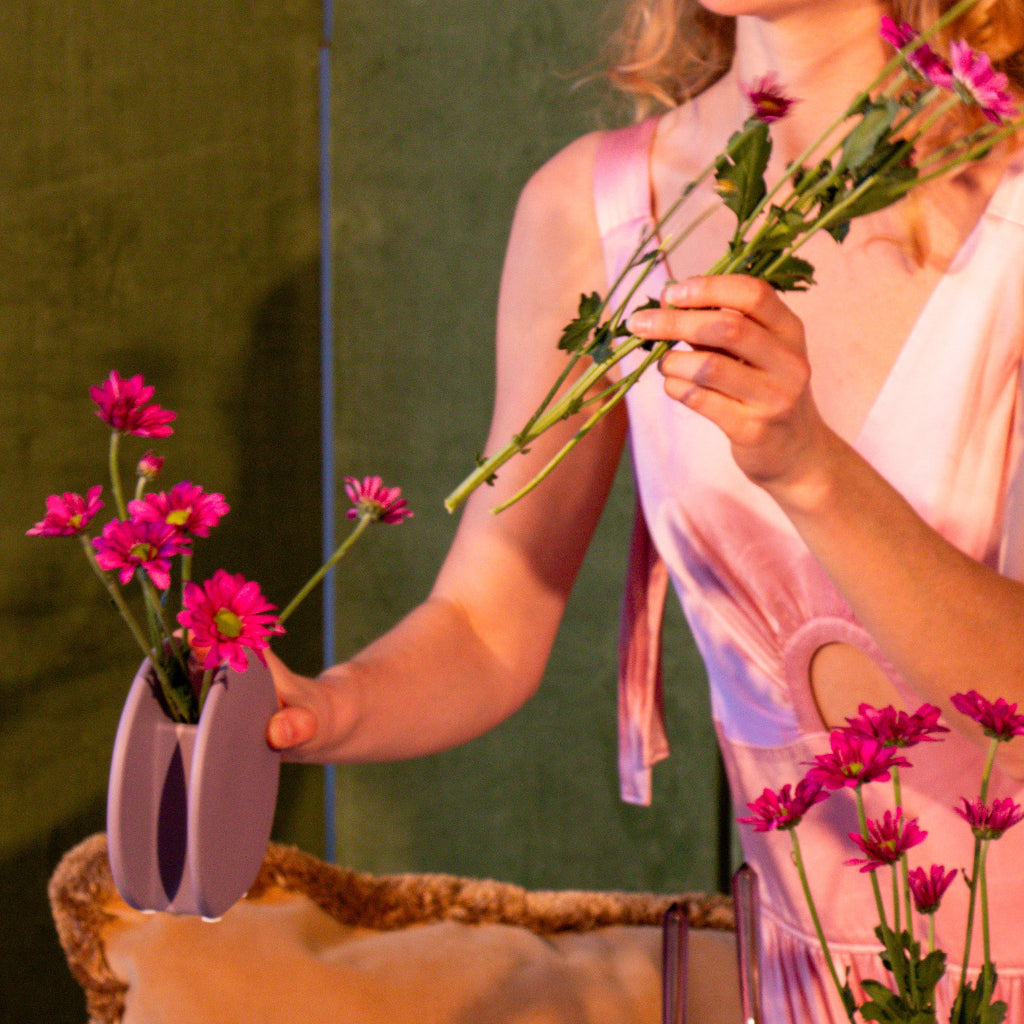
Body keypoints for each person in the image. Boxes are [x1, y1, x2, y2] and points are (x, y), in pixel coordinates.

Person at [265, 0, 1024, 1019]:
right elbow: (490, 619)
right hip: (798, 989)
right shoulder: (592, 210)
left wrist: (808, 468)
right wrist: (325, 708)